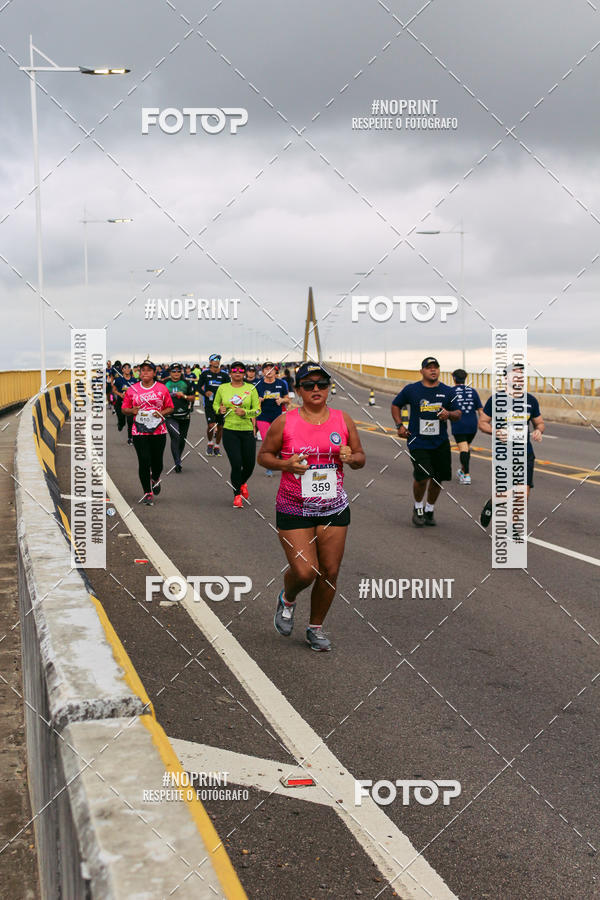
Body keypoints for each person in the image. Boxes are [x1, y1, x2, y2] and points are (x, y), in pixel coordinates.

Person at [258, 362, 365, 652]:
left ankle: (315, 627)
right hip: (294, 506)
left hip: (334, 507)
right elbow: (264, 456)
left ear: (329, 388)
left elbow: (360, 457)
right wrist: (285, 464)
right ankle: (288, 598)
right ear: (298, 390)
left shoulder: (343, 420)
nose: (316, 389)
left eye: (321, 384)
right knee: (306, 572)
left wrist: (351, 458)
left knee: (329, 571)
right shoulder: (285, 422)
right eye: (308, 385)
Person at [391, 357, 462, 527]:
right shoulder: (412, 390)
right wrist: (400, 425)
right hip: (418, 442)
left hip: (440, 442)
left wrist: (449, 414)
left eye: (435, 367)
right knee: (423, 477)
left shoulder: (448, 391)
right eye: (429, 368)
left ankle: (429, 510)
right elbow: (395, 405)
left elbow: (458, 413)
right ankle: (418, 508)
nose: (433, 370)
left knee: (438, 479)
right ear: (422, 371)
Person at [478, 364, 545, 528]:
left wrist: (538, 431)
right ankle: (493, 503)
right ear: (506, 378)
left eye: (522, 374)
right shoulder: (496, 400)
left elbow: (540, 422)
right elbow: (482, 423)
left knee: (524, 492)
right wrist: (495, 431)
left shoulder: (531, 400)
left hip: (525, 452)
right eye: (515, 374)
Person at [122, 360, 173, 505]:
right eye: (142, 370)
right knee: (144, 461)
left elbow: (170, 407)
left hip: (158, 431)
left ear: (154, 373)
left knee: (158, 463)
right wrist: (132, 410)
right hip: (139, 431)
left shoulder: (162, 389)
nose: (145, 373)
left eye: (148, 370)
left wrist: (161, 413)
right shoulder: (132, 389)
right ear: (138, 372)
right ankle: (147, 492)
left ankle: (155, 478)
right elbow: (124, 408)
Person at [213, 362, 261, 508]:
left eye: (241, 371)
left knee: (249, 465)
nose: (238, 373)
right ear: (230, 373)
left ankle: (242, 483)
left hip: (247, 431)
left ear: (244, 373)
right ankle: (237, 496)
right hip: (229, 431)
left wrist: (245, 413)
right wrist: (219, 409)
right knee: (236, 463)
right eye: (235, 370)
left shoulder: (250, 388)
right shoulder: (223, 388)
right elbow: (215, 405)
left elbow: (257, 410)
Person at [255, 362, 289, 474]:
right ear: (263, 371)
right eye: (266, 369)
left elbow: (288, 399)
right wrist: (258, 400)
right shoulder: (258, 384)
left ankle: (278, 457)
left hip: (277, 417)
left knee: (278, 440)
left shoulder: (281, 383)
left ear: (275, 371)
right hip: (262, 417)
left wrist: (282, 400)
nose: (269, 371)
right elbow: (251, 402)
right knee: (267, 440)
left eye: (271, 369)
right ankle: (269, 466)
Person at [451, 368, 483, 485]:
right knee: (466, 447)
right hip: (472, 425)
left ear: (453, 378)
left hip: (459, 424)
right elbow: (480, 410)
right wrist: (483, 423)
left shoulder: (450, 391)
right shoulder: (473, 391)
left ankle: (467, 475)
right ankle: (462, 471)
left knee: (463, 449)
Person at [197, 354, 230, 456]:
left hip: (221, 405)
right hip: (209, 404)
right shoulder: (205, 373)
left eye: (218, 359)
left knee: (220, 427)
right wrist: (205, 393)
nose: (217, 361)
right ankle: (210, 443)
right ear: (210, 362)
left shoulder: (224, 375)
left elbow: (229, 388)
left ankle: (217, 446)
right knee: (211, 426)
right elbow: (198, 387)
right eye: (214, 359)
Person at [164, 363, 195, 472]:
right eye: (174, 371)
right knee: (175, 436)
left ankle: (178, 457)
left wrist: (184, 396)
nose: (176, 373)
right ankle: (177, 462)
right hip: (170, 416)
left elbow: (193, 398)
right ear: (170, 372)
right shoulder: (164, 383)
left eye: (178, 371)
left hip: (184, 416)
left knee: (182, 440)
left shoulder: (186, 383)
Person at [112, 362, 137, 443]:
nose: (127, 369)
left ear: (130, 369)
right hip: (121, 402)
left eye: (128, 367)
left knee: (130, 421)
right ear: (122, 370)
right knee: (122, 420)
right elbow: (114, 390)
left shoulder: (134, 380)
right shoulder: (118, 380)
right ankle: (120, 424)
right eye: (125, 368)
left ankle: (130, 438)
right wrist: (120, 394)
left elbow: (137, 391)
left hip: (130, 403)